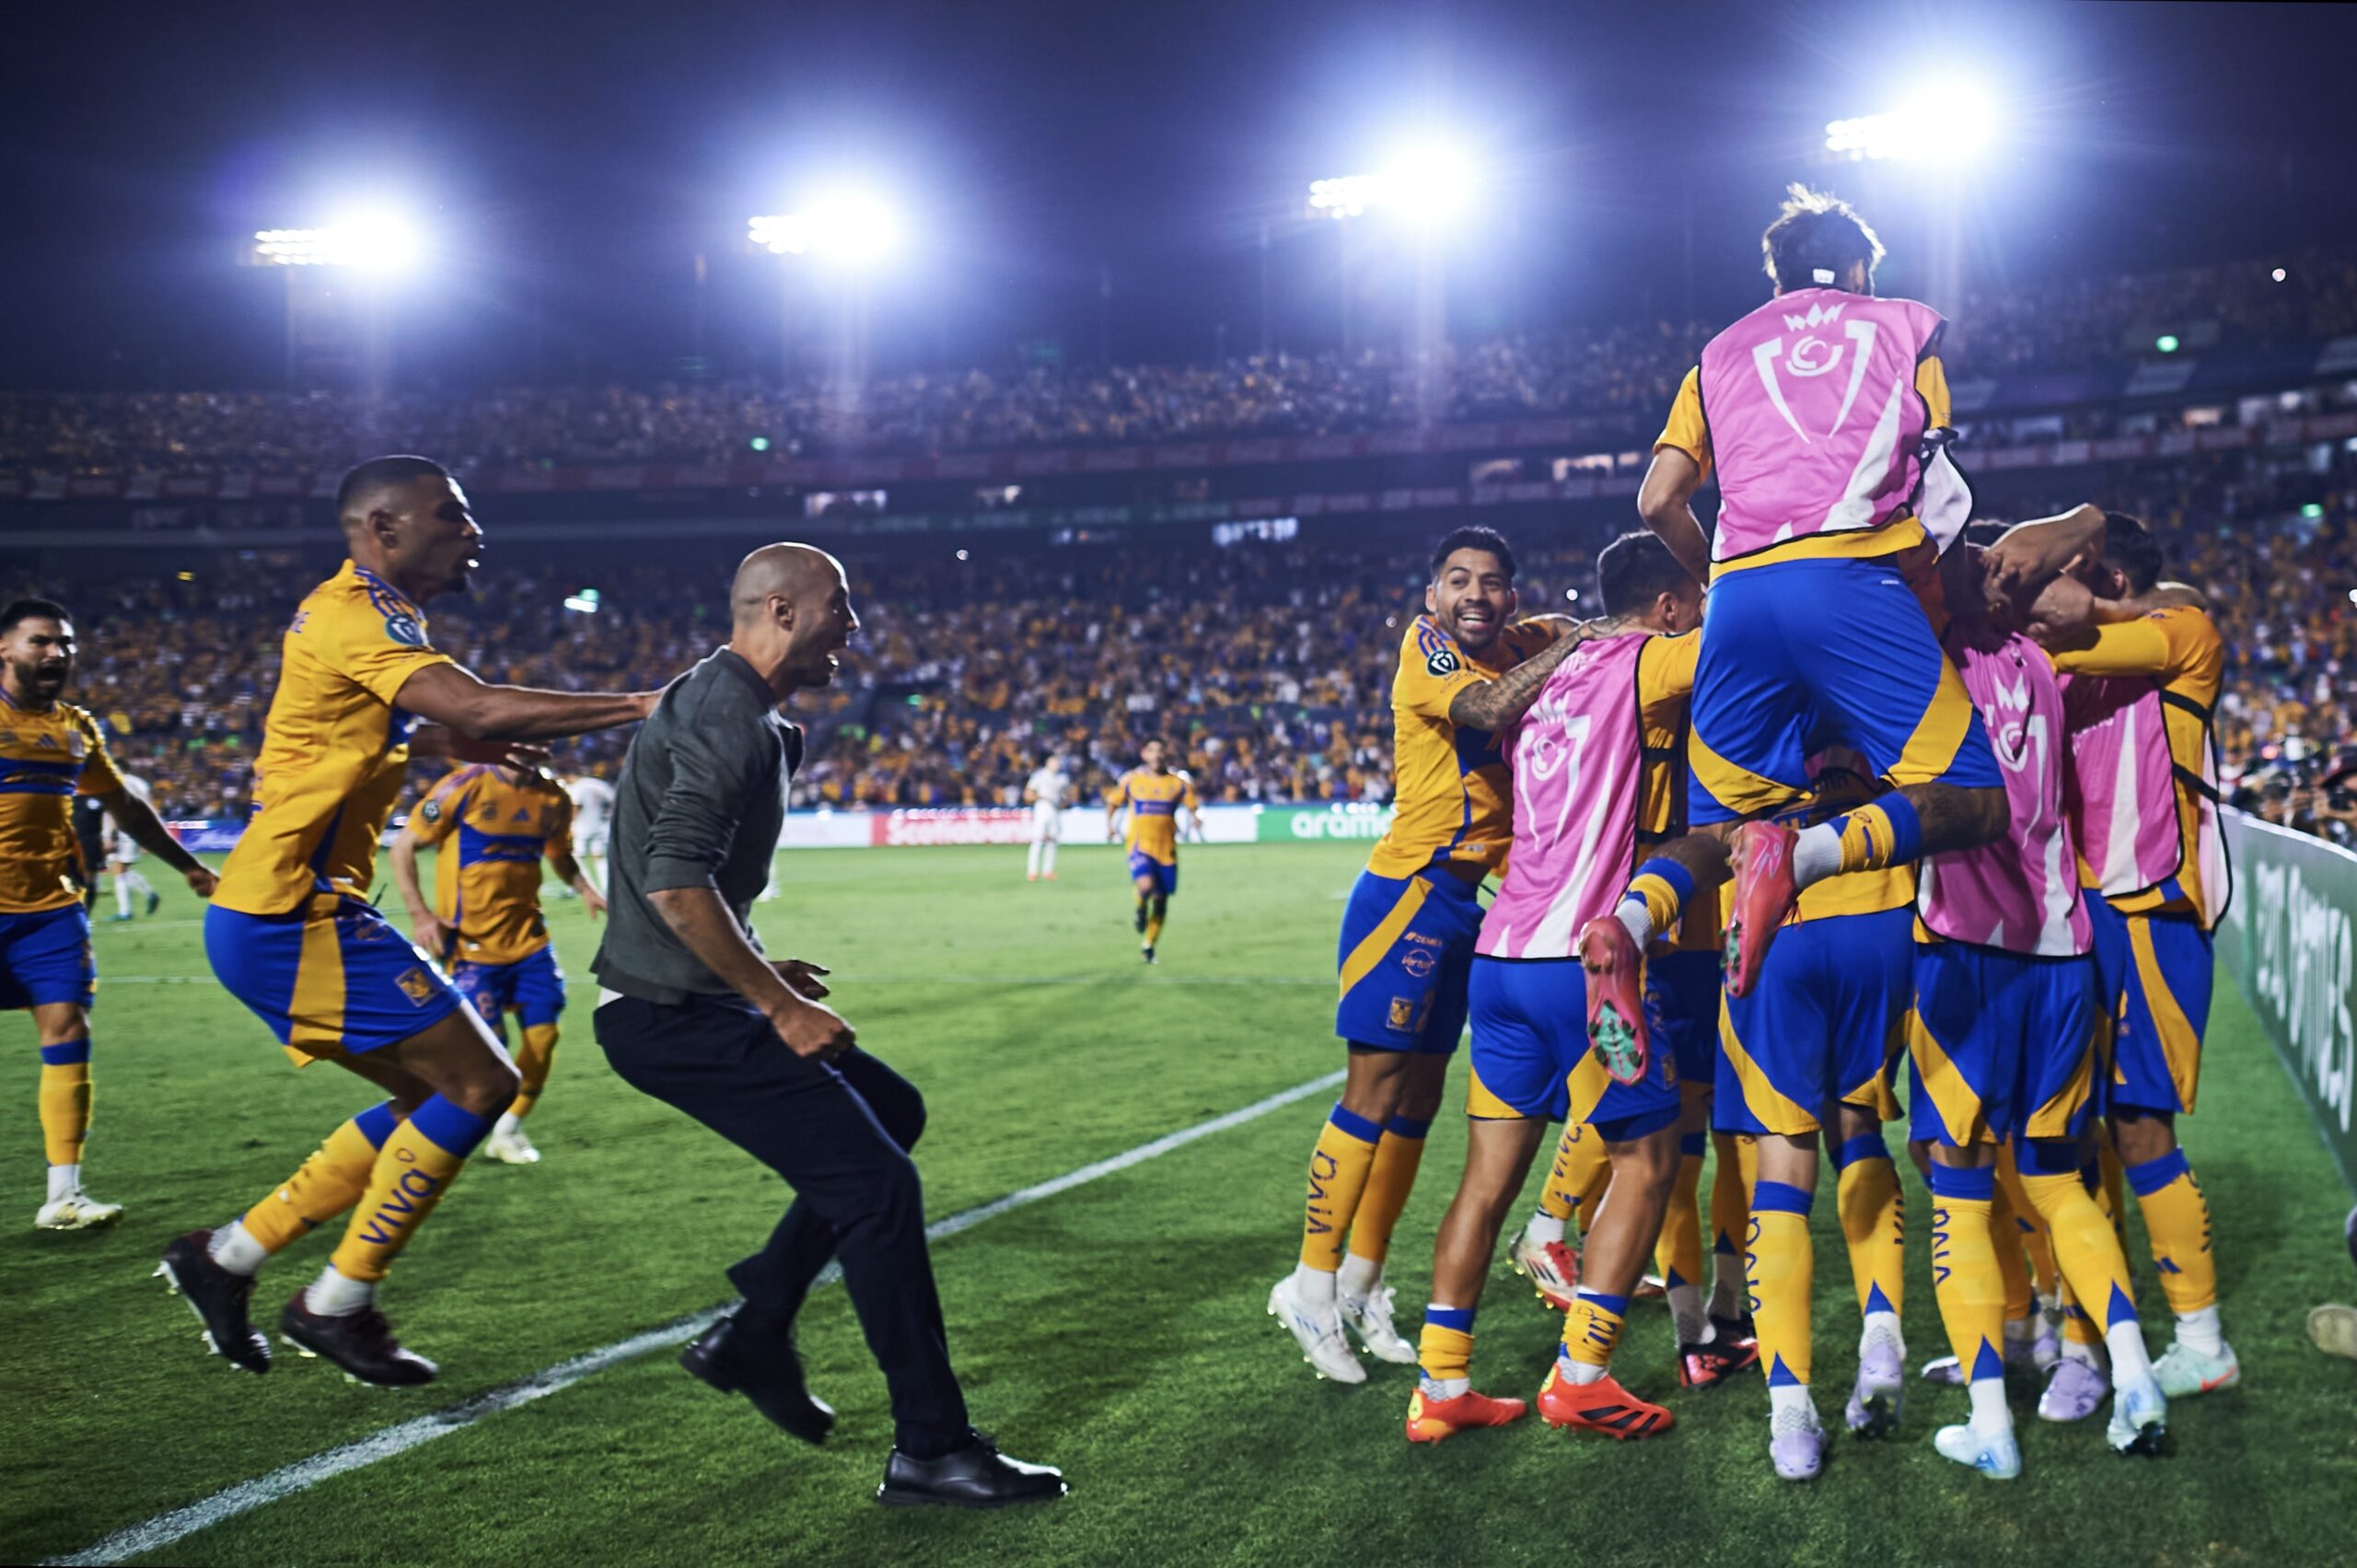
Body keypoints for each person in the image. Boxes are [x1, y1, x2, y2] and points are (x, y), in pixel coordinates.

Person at [157, 456, 655, 1386]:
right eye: (452, 515)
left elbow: (362, 726)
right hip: (291, 909)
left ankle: (225, 1256)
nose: (472, 532)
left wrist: (436, 738)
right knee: (479, 1084)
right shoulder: (362, 611)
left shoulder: (357, 613)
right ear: (383, 527)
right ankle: (338, 1301)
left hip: (275, 907)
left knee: (435, 1097)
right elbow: (471, 699)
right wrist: (642, 704)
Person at [595, 543, 1064, 1509]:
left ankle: (757, 1326)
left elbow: (682, 877)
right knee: (877, 1184)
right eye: (838, 607)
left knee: (892, 1110)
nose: (853, 626)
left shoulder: (726, 699)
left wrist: (760, 967)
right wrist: (777, 1002)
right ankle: (931, 1446)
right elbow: (673, 882)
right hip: (669, 1016)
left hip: (688, 995)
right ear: (778, 609)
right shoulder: (728, 713)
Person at [1634, 184, 2011, 997]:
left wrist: (1721, 581)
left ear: (1776, 281)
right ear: (1858, 267)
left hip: (1736, 592)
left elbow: (1658, 500)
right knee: (1977, 798)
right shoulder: (1908, 325)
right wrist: (1944, 595)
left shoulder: (1717, 353)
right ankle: (1800, 858)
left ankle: (1626, 924)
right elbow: (1940, 496)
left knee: (1719, 827)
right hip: (1848, 578)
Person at [1404, 532, 1726, 1445]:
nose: (1694, 612)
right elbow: (1744, 633)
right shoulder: (1647, 659)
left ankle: (1441, 1382)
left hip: (1501, 957)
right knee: (1648, 1160)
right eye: (1686, 601)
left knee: (1484, 1181)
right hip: (1578, 962)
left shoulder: (1538, 677)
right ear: (1666, 606)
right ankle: (1582, 1374)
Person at [1269, 525, 1586, 1386]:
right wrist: (1579, 643)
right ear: (1431, 596)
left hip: (1465, 904)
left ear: (1510, 597)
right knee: (1371, 1093)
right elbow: (1488, 710)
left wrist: (1574, 627)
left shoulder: (1520, 635)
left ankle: (1366, 1287)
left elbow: (1557, 627)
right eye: (1457, 580)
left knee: (1418, 1100)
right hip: (1406, 892)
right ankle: (1309, 1283)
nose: (1473, 595)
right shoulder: (1428, 647)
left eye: (1490, 582)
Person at [1901, 528, 2168, 1480]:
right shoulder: (2040, 658)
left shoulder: (1922, 655)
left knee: (1959, 1183)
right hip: (2061, 949)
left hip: (1965, 954)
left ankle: (1989, 1420)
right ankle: (2133, 1371)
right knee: (2058, 1180)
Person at [2041, 515, 2240, 1400]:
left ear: (2109, 576)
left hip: (2151, 914)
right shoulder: (2088, 659)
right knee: (2069, 1126)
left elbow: (2057, 638)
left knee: (2141, 1126)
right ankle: (2085, 1332)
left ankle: (2203, 1340)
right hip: (2079, 920)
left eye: (2066, 574)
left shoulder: (2182, 635)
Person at [2, 598, 218, 1229]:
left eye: (64, 643)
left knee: (68, 1030)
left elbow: (124, 805)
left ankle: (62, 1194)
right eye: (40, 641)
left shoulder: (75, 728)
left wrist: (189, 866)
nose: (56, 654)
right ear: (5, 649)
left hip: (48, 909)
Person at [390, 761, 604, 1167]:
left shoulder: (552, 795)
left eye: (538, 738)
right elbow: (403, 847)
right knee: (486, 1058)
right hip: (470, 945)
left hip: (530, 944)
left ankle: (507, 1131)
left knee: (543, 1041)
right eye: (519, 737)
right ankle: (417, 1124)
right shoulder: (465, 785)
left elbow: (561, 853)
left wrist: (585, 889)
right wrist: (421, 915)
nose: (528, 746)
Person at [1105, 738, 1201, 964]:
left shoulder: (1177, 783)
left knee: (1160, 901)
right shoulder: (1132, 781)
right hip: (1140, 846)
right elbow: (1112, 802)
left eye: (1160, 750)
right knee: (1145, 886)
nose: (1156, 755)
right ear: (1143, 754)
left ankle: (1148, 946)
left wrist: (1196, 818)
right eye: (1152, 751)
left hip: (1166, 850)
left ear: (1166, 754)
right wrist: (1109, 824)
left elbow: (1192, 805)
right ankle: (1140, 908)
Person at [104, 772, 162, 922]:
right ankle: (150, 894)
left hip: (125, 831)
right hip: (130, 830)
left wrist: (111, 833)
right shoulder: (140, 783)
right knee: (119, 868)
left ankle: (125, 912)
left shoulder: (118, 784)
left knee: (120, 870)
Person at [563, 772, 616, 896]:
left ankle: (586, 887)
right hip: (602, 825)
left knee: (577, 857)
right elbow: (613, 801)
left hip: (582, 827)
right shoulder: (600, 784)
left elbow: (575, 807)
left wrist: (568, 824)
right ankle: (607, 887)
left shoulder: (578, 787)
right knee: (599, 857)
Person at [1024, 753, 1072, 881]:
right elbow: (1028, 795)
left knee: (1053, 840)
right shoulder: (1039, 776)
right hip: (1042, 807)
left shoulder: (1063, 778)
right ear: (1048, 762)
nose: (1057, 764)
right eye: (1054, 762)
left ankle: (1048, 870)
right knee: (1038, 839)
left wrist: (1063, 803)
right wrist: (1042, 798)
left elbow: (1067, 795)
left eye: (1058, 762)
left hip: (1055, 810)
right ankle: (1032, 871)